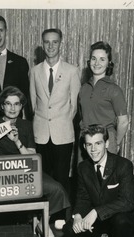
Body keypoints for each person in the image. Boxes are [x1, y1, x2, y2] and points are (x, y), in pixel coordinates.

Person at [0, 86, 71, 237]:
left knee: (57, 189)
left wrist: (17, 141)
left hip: (28, 172)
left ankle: (43, 221)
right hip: (5, 175)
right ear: (2, 106)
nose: (12, 108)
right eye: (8, 103)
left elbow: (32, 158)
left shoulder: (26, 125)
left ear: (21, 106)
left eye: (16, 104)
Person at [59, 125, 134, 237]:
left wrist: (96, 212)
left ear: (106, 143)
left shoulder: (123, 165)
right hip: (100, 216)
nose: (93, 149)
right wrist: (78, 216)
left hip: (124, 214)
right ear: (84, 146)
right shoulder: (83, 167)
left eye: (98, 143)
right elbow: (83, 197)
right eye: (89, 144)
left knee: (122, 221)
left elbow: (127, 201)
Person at [29, 28, 81, 194]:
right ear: (42, 45)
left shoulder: (72, 71)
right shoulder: (34, 71)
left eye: (55, 42)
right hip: (40, 133)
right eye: (47, 42)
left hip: (63, 133)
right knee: (41, 178)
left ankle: (61, 218)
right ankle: (44, 215)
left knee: (62, 178)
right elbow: (32, 103)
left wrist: (61, 121)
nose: (50, 46)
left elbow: (74, 105)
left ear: (60, 44)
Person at [78, 41, 129, 155]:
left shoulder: (114, 90)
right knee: (84, 172)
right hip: (86, 141)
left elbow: (123, 122)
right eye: (94, 58)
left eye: (102, 59)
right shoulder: (83, 88)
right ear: (89, 61)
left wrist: (115, 143)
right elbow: (82, 117)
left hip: (106, 141)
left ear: (109, 63)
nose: (97, 63)